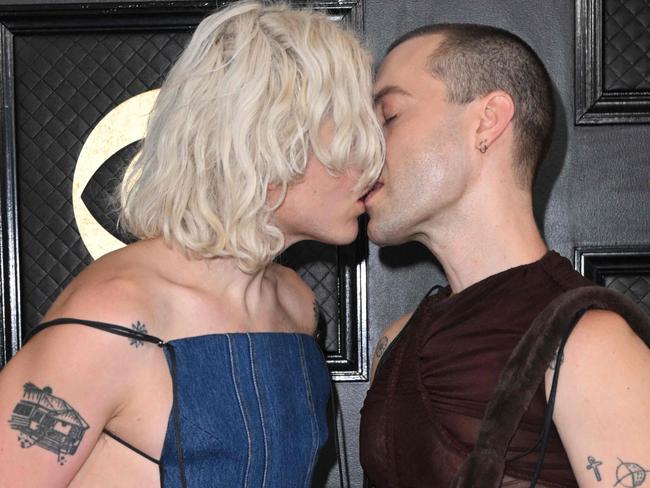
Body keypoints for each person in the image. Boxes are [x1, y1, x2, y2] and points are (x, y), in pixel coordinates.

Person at [0, 2, 384, 486]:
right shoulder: (114, 318)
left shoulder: (297, 306)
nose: (371, 165)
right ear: (268, 144)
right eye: (349, 136)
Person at [360, 23, 650, 487]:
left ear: (488, 120)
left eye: (388, 116)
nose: (362, 150)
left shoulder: (589, 344)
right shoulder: (395, 343)